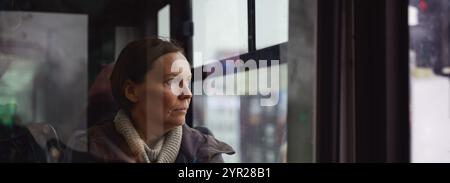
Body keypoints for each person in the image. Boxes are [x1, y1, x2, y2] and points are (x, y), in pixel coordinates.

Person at [72, 38, 234, 163]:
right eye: (172, 82)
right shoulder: (86, 149)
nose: (188, 93)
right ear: (131, 91)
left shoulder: (205, 153)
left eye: (187, 82)